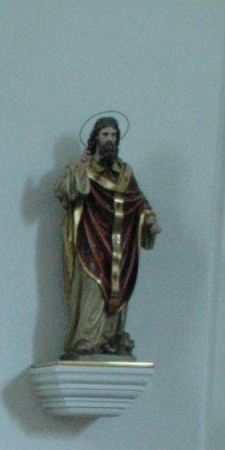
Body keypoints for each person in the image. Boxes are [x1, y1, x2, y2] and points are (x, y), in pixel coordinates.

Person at [56, 115, 159, 359]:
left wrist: (149, 219)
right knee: (94, 286)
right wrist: (79, 174)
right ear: (95, 138)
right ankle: (86, 339)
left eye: (113, 135)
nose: (109, 139)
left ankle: (111, 339)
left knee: (117, 288)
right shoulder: (82, 167)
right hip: (91, 238)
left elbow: (138, 199)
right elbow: (63, 193)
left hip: (119, 242)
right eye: (105, 135)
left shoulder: (124, 172)